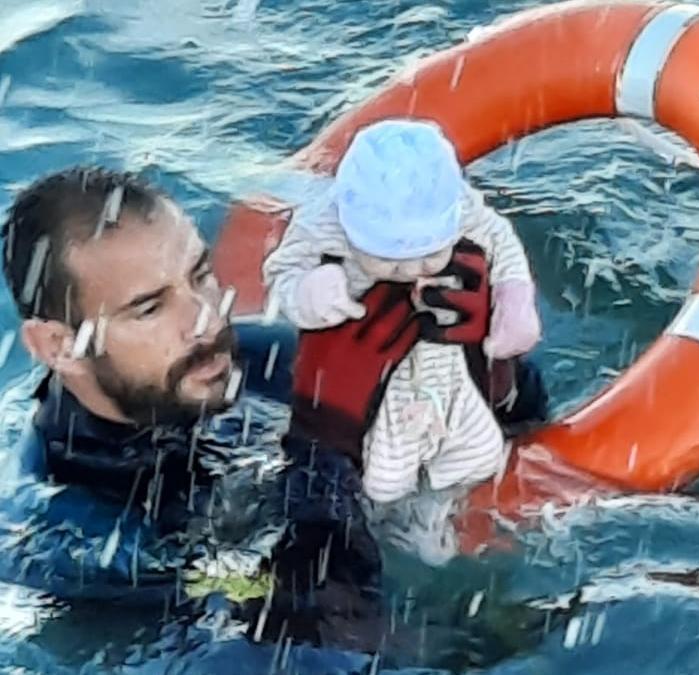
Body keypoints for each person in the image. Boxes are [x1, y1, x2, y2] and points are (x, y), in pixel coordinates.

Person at [0, 166, 564, 670]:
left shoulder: (251, 363)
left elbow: (516, 433)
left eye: (200, 275)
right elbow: (316, 627)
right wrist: (328, 438)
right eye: (149, 308)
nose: (205, 320)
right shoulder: (70, 537)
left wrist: (484, 369)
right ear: (59, 346)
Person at [262, 119, 544, 565]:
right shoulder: (323, 223)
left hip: (449, 369)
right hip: (352, 398)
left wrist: (515, 305)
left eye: (430, 255)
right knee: (327, 497)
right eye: (391, 261)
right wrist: (310, 290)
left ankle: (455, 505)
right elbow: (283, 270)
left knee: (489, 425)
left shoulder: (466, 212)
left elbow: (504, 249)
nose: (414, 271)